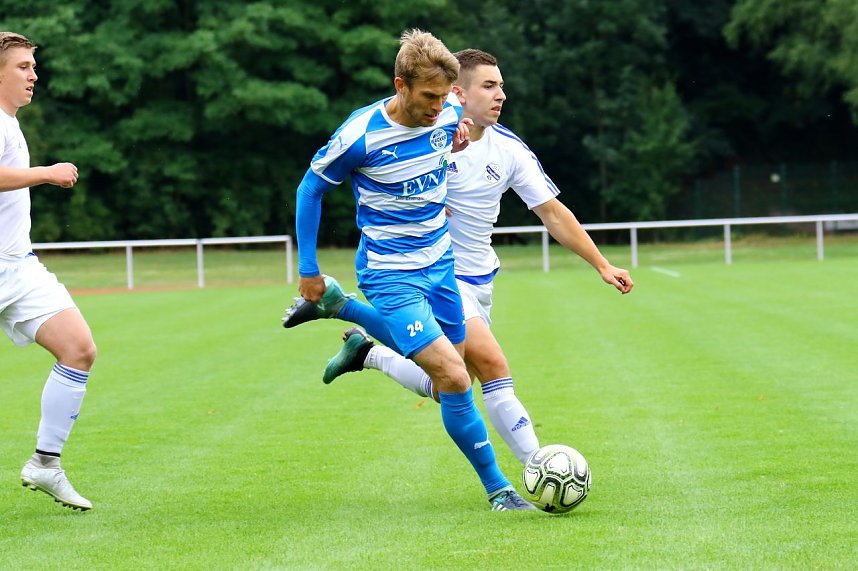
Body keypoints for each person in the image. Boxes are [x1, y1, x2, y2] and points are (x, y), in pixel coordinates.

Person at [284, 48, 633, 466]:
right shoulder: (426, 125)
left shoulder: (509, 151)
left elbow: (553, 214)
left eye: (502, 85)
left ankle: (366, 352)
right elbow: (366, 167)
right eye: (489, 86)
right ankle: (539, 468)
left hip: (480, 280)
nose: (500, 94)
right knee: (491, 363)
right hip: (431, 274)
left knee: (449, 383)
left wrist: (602, 264)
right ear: (458, 94)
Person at [292, 31, 534, 511]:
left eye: (445, 98)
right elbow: (309, 190)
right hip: (390, 273)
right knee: (455, 377)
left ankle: (344, 312)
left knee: (452, 378)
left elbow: (448, 136)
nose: (438, 107)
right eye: (428, 96)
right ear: (400, 85)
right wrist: (308, 267)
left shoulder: (445, 114)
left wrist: (456, 140)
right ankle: (500, 490)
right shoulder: (359, 136)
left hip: (441, 266)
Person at [0, 32, 95, 511]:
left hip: (17, 268)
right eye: (22, 66)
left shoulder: (9, 124)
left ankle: (45, 464)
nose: (33, 75)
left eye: (33, 66)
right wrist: (46, 172)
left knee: (78, 349)